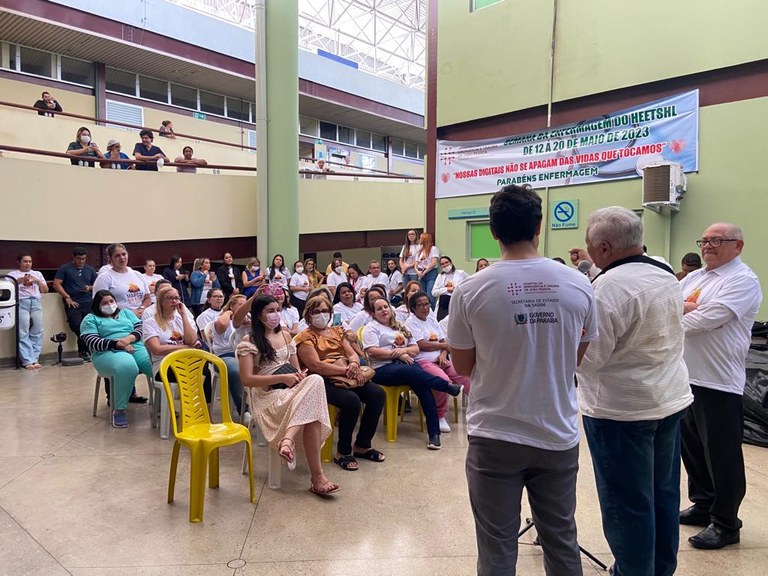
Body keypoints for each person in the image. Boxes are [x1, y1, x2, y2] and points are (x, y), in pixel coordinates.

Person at [447, 184, 598, 576]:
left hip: (495, 435)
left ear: (493, 231)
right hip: (557, 432)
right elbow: (574, 360)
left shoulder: (470, 290)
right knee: (561, 539)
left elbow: (463, 365)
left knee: (497, 547)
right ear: (539, 226)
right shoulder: (579, 283)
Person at [575, 206, 693, 575]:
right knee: (663, 493)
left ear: (606, 248)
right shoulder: (662, 271)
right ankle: (660, 568)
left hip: (621, 411)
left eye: (591, 247)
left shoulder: (605, 291)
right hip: (668, 398)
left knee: (626, 502)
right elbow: (629, 291)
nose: (589, 253)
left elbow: (590, 359)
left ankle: (633, 570)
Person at [678, 223, 762, 549]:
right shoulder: (697, 278)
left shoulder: (742, 280)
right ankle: (703, 504)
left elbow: (702, 322)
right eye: (706, 240)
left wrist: (684, 310)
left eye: (717, 240)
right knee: (693, 449)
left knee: (721, 454)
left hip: (718, 382)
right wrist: (687, 308)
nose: (708, 246)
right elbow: (665, 304)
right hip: (686, 378)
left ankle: (726, 523)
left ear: (738, 245)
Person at [236, 294, 340, 497]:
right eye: (270, 311)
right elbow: (247, 380)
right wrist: (283, 377)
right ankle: (317, 478)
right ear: (259, 315)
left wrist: (297, 375)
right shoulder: (249, 341)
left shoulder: (285, 336)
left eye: (277, 310)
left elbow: (297, 370)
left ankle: (288, 440)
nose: (276, 315)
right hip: (267, 395)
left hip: (290, 390)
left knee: (315, 380)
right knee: (312, 411)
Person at [296, 295, 386, 471]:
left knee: (377, 394)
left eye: (325, 311)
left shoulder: (337, 331)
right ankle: (343, 452)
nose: (321, 314)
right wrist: (346, 371)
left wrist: (353, 364)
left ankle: (362, 445)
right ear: (308, 315)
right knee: (351, 401)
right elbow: (316, 365)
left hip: (346, 373)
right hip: (321, 380)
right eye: (317, 311)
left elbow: (351, 352)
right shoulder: (304, 337)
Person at [362, 298, 462, 449]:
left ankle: (434, 435)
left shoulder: (399, 326)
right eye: (379, 309)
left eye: (385, 307)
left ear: (390, 308)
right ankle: (446, 386)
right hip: (382, 369)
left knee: (423, 387)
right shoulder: (371, 328)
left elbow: (415, 349)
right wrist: (396, 354)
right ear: (373, 313)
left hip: (406, 366)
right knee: (411, 372)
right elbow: (372, 351)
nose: (384, 310)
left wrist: (403, 351)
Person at [80, 290, 153, 428]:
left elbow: (140, 328)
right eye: (104, 303)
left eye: (111, 301)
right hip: (106, 352)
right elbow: (91, 341)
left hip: (134, 345)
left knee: (156, 365)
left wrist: (127, 339)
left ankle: (162, 405)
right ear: (97, 305)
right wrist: (117, 344)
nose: (109, 304)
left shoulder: (126, 313)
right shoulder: (90, 319)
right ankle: (119, 410)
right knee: (127, 366)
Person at [405, 291, 470, 434]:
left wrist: (443, 353)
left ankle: (476, 408)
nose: (425, 308)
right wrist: (444, 347)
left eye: (427, 304)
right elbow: (420, 344)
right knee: (443, 380)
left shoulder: (432, 319)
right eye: (420, 305)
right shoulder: (410, 323)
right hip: (423, 361)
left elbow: (443, 341)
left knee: (465, 374)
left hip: (440, 359)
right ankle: (440, 415)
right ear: (413, 308)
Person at [143, 284, 204, 391]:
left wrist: (183, 315)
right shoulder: (150, 323)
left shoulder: (182, 318)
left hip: (185, 360)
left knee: (204, 369)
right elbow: (157, 350)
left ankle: (203, 407)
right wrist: (186, 347)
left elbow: (192, 340)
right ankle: (185, 406)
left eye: (176, 298)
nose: (174, 301)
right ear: (161, 301)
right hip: (164, 364)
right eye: (170, 298)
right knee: (193, 373)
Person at [52, 247, 97, 361]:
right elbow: (56, 284)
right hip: (73, 302)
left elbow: (97, 284)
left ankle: (84, 351)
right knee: (77, 326)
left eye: (83, 259)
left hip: (88, 302)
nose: (81, 261)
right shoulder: (65, 269)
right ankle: (84, 350)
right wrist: (67, 297)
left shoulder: (90, 269)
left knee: (89, 326)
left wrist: (90, 288)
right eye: (79, 258)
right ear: (73, 257)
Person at [208, 294, 248, 419]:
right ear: (232, 305)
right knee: (235, 370)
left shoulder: (248, 318)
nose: (244, 307)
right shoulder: (222, 318)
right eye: (240, 305)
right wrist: (229, 312)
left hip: (246, 353)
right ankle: (244, 410)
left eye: (246, 305)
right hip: (225, 355)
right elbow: (220, 327)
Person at [8, 254, 49, 370]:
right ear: (19, 262)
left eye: (30, 261)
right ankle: (27, 360)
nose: (28, 264)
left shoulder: (37, 274)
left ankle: (35, 358)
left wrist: (37, 281)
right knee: (23, 330)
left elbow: (45, 290)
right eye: (25, 261)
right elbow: (7, 289)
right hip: (21, 302)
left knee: (38, 329)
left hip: (35, 302)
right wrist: (20, 281)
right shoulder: (12, 275)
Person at [92, 244, 151, 320]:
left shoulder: (138, 275)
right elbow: (98, 303)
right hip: (120, 320)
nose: (122, 258)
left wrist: (142, 308)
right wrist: (128, 312)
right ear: (110, 258)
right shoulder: (104, 278)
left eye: (124, 254)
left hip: (141, 317)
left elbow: (147, 298)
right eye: (117, 256)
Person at [431, 256, 468, 322]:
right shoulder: (440, 276)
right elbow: (434, 292)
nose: (445, 265)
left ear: (451, 262)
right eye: (442, 264)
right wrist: (446, 289)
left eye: (446, 263)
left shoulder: (461, 273)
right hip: (444, 303)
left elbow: (469, 283)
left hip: (457, 301)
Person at [415, 232, 440, 308]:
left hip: (430, 273)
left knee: (430, 295)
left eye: (421, 238)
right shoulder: (420, 251)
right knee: (422, 295)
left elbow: (433, 263)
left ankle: (431, 313)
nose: (419, 240)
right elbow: (415, 264)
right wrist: (418, 272)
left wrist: (425, 272)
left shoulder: (433, 249)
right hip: (421, 272)